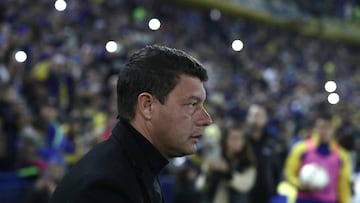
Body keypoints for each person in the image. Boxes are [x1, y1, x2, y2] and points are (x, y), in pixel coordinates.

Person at [49, 45, 213, 203]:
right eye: (192, 104)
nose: (206, 119)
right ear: (147, 106)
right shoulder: (103, 188)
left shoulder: (135, 168)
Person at [283, 113, 351, 203]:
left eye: (328, 127)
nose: (324, 131)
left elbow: (343, 185)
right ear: (315, 128)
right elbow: (289, 173)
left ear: (333, 130)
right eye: (321, 127)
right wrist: (299, 184)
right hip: (304, 199)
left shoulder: (342, 155)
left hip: (329, 200)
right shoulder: (301, 149)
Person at [199, 124, 256, 203]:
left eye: (240, 138)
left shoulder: (248, 162)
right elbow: (201, 185)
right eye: (233, 138)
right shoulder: (216, 157)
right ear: (225, 139)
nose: (236, 142)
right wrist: (209, 171)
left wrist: (227, 172)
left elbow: (245, 185)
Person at [245, 104, 281, 203]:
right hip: (242, 195)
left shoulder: (272, 143)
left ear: (265, 119)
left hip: (265, 196)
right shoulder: (241, 141)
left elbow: (277, 170)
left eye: (258, 116)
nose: (254, 119)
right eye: (252, 115)